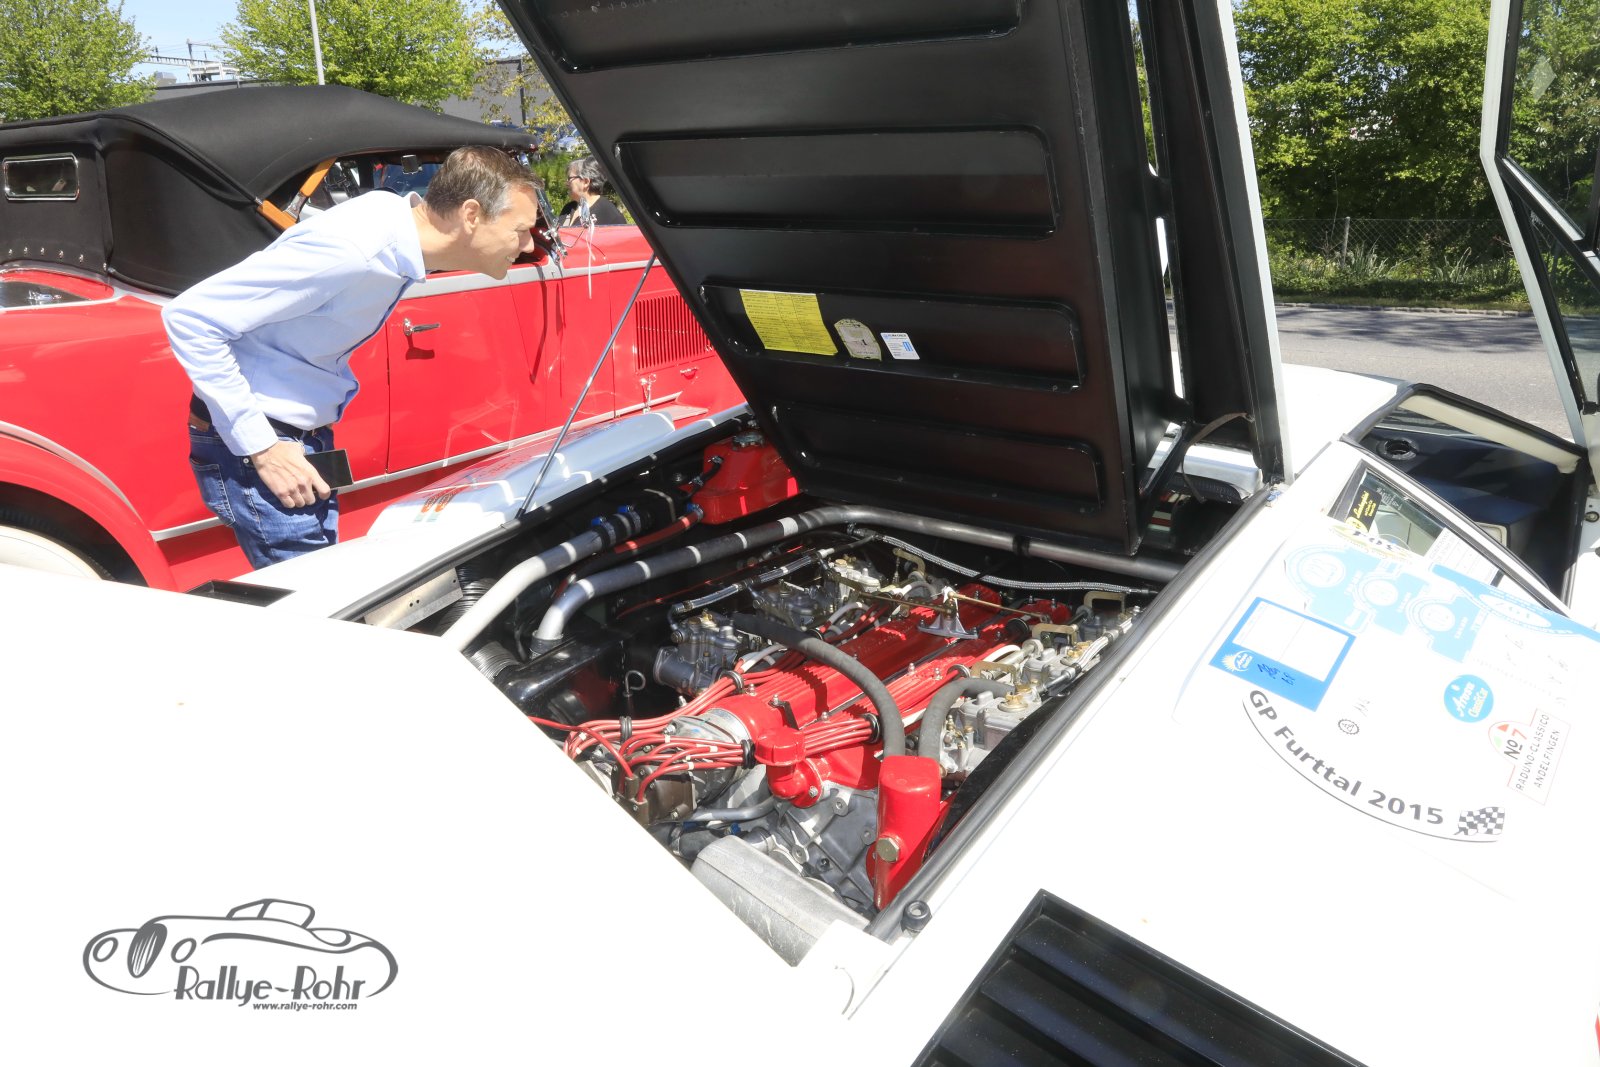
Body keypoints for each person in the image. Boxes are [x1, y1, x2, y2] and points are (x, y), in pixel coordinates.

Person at [164, 146, 543, 569]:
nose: (529, 244)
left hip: (297, 436)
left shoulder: (389, 221)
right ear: (471, 214)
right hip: (266, 444)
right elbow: (191, 318)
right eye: (520, 230)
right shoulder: (353, 249)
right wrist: (264, 449)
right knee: (311, 598)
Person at [557, 156, 626, 227]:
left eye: (569, 179)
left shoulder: (611, 216)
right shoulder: (569, 208)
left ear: (586, 182)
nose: (566, 183)